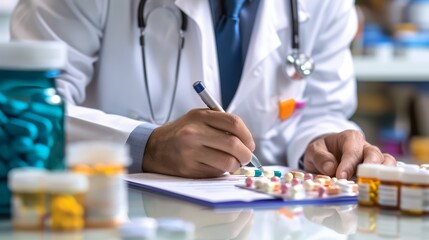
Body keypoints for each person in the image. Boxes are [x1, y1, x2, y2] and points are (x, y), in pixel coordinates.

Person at [10, 0, 396, 179]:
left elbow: (319, 108)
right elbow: (24, 109)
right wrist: (146, 146)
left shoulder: (326, 6)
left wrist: (322, 142)